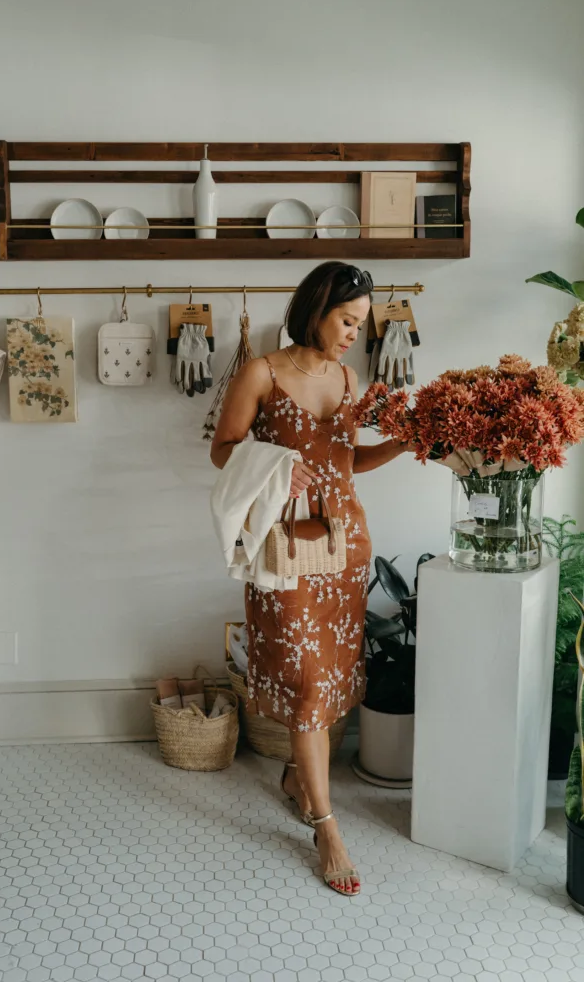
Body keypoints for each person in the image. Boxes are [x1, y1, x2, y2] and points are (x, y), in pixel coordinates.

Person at [210, 261, 410, 896]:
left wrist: (405, 442)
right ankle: (325, 826)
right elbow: (222, 448)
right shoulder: (261, 372)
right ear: (318, 307)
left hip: (344, 543)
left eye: (362, 324)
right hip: (285, 550)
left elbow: (347, 461)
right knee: (304, 676)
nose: (356, 333)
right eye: (348, 320)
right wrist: (271, 468)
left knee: (333, 673)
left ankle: (299, 782)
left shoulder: (351, 378)